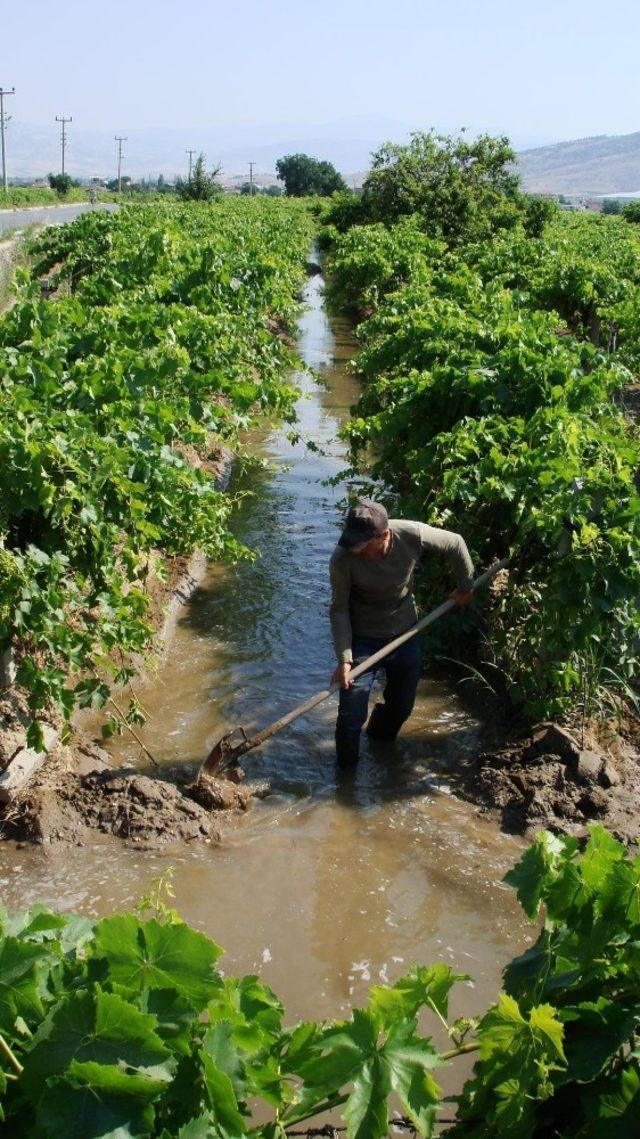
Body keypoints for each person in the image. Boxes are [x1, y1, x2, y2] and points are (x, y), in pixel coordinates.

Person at [329, 499, 474, 767]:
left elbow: (455, 543)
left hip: (405, 632)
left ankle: (380, 746)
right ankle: (344, 783)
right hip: (363, 639)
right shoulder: (342, 558)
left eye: (362, 545)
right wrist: (345, 658)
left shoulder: (411, 534)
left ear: (384, 535)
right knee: (350, 716)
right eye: (351, 543)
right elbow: (339, 609)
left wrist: (465, 587)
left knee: (401, 707)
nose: (355, 550)